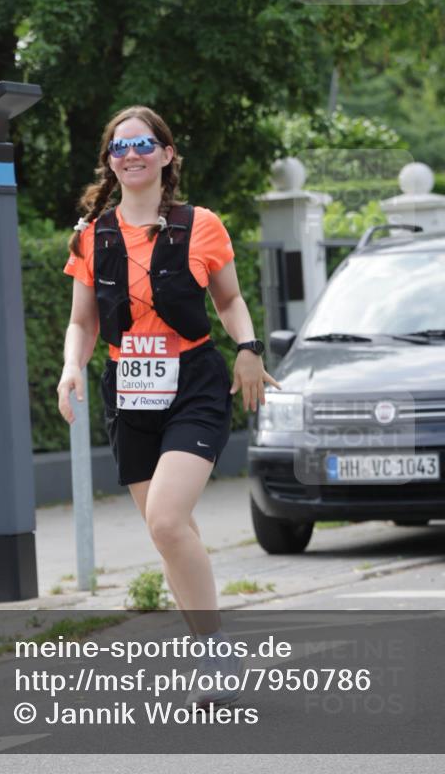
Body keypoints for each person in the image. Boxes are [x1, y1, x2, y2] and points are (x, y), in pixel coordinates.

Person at [57, 105, 280, 708]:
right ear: (109, 161)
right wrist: (71, 367)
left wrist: (249, 349)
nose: (130, 155)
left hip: (195, 383)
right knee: (172, 532)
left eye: (143, 144)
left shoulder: (200, 224)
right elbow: (83, 321)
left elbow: (229, 299)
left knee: (164, 519)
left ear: (167, 154)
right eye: (118, 147)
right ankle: (212, 652)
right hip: (129, 389)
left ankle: (214, 654)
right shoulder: (91, 235)